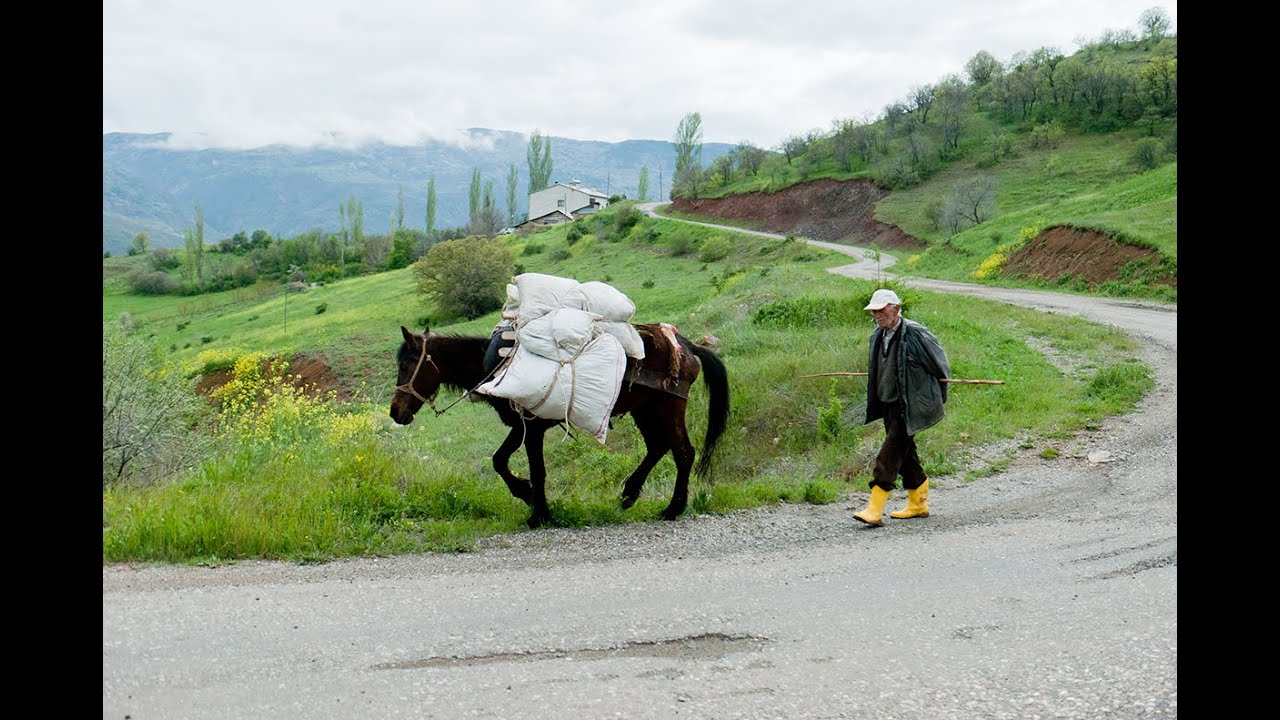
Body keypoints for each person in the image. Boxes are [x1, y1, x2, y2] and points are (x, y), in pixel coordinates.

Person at [853, 288, 950, 527]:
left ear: (896, 308)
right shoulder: (877, 335)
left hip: (909, 405)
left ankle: (874, 509)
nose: (877, 315)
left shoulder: (915, 333)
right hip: (887, 402)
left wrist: (935, 398)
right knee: (906, 454)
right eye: (873, 311)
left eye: (881, 309)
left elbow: (941, 367)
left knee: (890, 452)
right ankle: (918, 503)